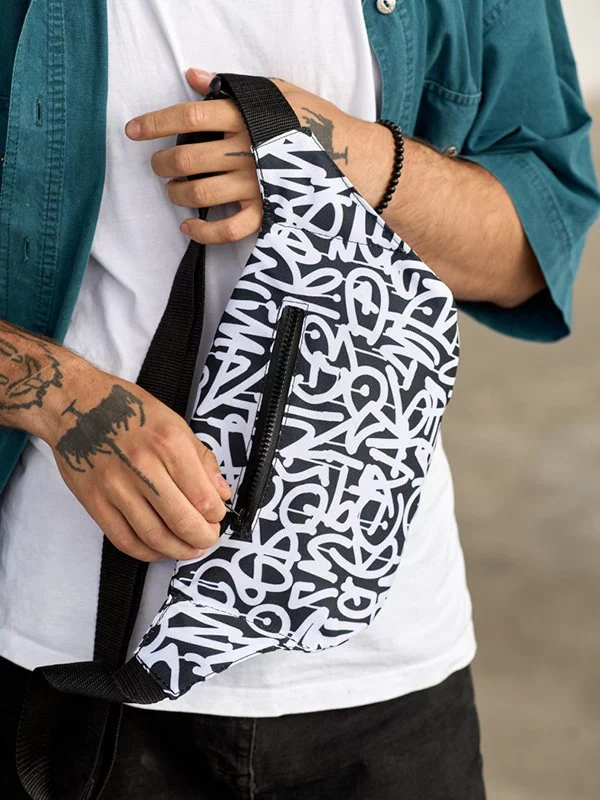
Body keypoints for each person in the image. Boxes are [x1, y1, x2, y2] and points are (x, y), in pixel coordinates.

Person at [0, 1, 598, 798]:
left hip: (383, 667)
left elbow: (531, 249)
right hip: (59, 654)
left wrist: (345, 159)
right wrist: (58, 398)